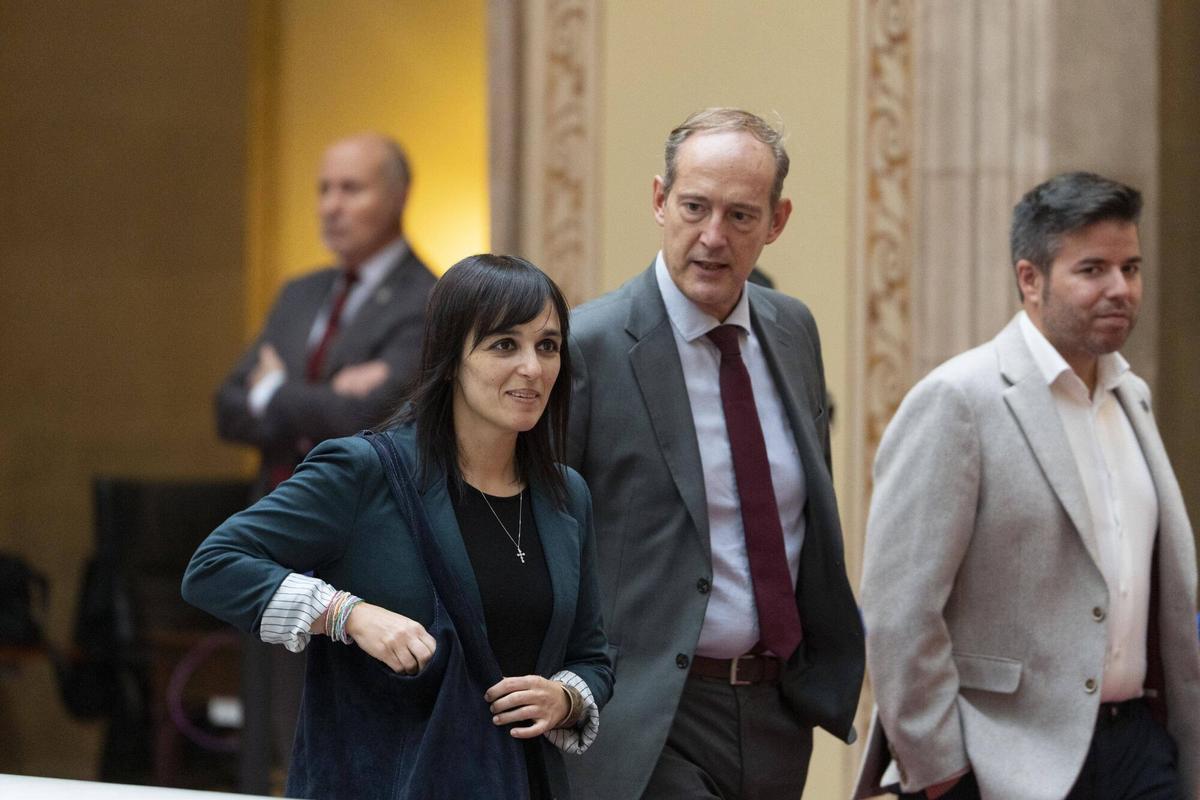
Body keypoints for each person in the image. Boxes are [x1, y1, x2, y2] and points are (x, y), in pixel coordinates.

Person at [184, 254, 613, 799]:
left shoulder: (565, 494)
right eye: (505, 344)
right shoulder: (363, 471)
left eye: (547, 346)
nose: (532, 367)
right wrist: (347, 614)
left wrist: (566, 699)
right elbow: (214, 565)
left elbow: (592, 656)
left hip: (520, 782)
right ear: (451, 358)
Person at [854, 172, 1200, 800]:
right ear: (1030, 279)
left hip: (1138, 750)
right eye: (1092, 269)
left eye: (1131, 267)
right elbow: (900, 609)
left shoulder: (1133, 399)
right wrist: (942, 774)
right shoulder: (959, 399)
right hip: (1007, 761)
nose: (1120, 289)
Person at [563, 108, 864, 799]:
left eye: (740, 216)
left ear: (777, 221)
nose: (713, 237)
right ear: (659, 201)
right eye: (694, 207)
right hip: (647, 716)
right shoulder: (591, 346)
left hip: (774, 711)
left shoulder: (792, 330)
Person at [216, 132, 436, 493]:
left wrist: (271, 391)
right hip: (271, 513)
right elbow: (227, 406)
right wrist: (319, 408)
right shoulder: (298, 293)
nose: (331, 207)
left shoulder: (429, 299)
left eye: (351, 190)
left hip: (358, 517)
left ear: (399, 196)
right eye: (324, 190)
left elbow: (367, 417)